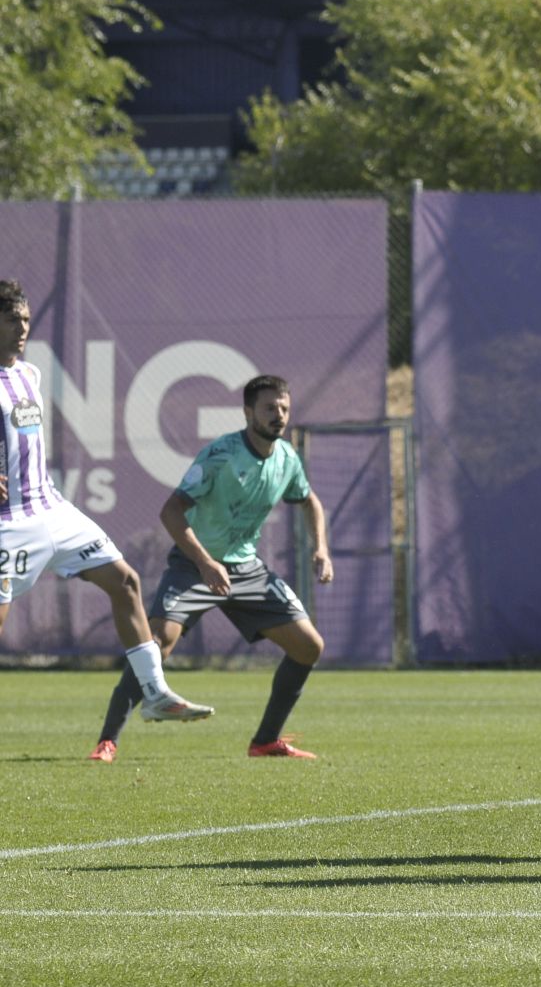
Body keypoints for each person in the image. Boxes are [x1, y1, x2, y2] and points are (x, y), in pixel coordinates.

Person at [0, 280, 211, 727]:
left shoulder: (30, 374)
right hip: (8, 524)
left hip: (53, 510)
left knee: (125, 581)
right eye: (12, 319)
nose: (23, 327)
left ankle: (154, 694)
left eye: (26, 318)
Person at [90, 375, 331, 761]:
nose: (279, 415)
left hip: (247, 570)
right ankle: (107, 742)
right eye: (270, 408)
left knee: (308, 647)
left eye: (284, 408)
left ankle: (265, 741)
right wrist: (205, 562)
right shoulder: (221, 454)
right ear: (248, 412)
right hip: (194, 565)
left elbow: (310, 501)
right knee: (157, 643)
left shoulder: (287, 458)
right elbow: (171, 511)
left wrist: (321, 547)